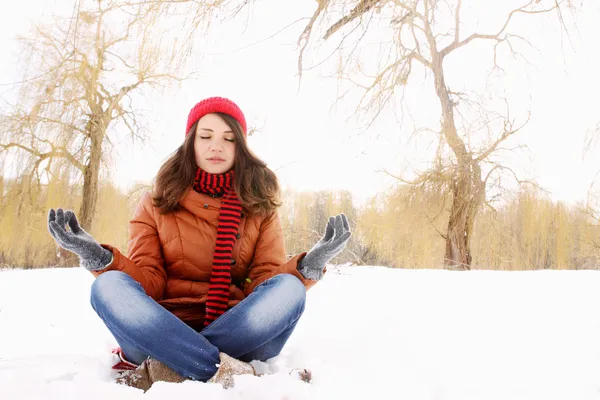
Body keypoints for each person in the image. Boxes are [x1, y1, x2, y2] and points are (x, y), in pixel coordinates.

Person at [47, 97, 351, 391]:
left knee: (290, 290)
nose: (216, 146)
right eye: (205, 136)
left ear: (240, 148)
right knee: (107, 287)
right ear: (191, 142)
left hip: (239, 333)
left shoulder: (260, 208)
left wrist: (308, 267)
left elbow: (262, 284)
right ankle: (240, 376)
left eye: (228, 138)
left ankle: (170, 368)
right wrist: (99, 257)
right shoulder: (156, 203)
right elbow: (149, 282)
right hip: (161, 330)